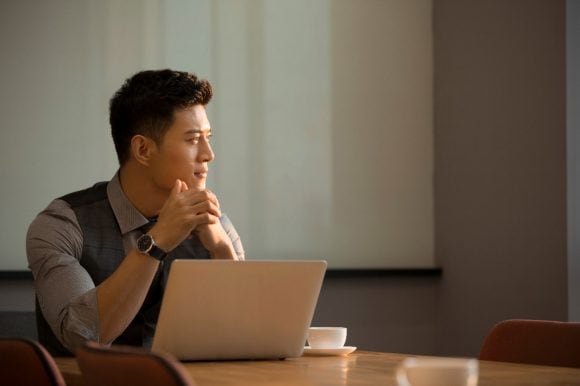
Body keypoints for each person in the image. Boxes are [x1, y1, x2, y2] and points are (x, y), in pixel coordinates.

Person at [27, 69, 244, 355]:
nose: (208, 154)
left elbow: (245, 336)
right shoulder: (62, 224)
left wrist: (221, 250)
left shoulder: (216, 225)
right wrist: (156, 242)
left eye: (208, 137)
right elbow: (82, 336)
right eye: (192, 140)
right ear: (143, 149)